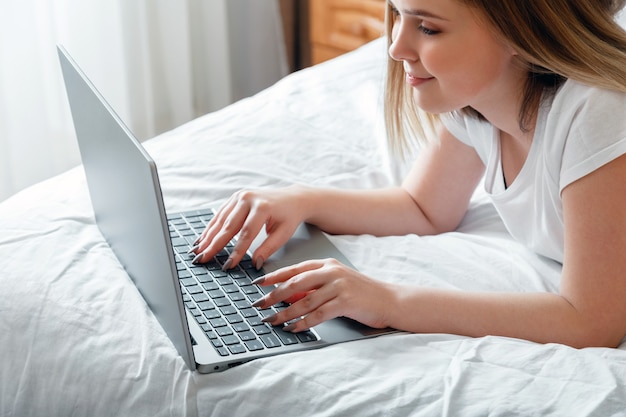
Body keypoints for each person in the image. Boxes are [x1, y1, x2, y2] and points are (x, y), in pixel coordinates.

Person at [190, 0, 626, 348]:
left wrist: (389, 301)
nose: (396, 47)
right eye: (397, 14)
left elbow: (590, 322)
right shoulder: (481, 98)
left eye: (429, 27)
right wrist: (299, 200)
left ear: (522, 30)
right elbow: (424, 208)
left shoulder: (597, 110)